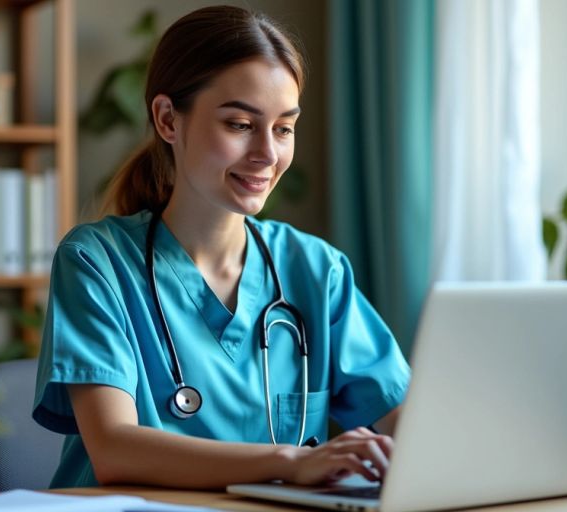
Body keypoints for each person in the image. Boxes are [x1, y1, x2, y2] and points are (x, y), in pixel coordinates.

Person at [32, 5, 410, 490]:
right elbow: (114, 448)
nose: (268, 155)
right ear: (168, 119)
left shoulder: (316, 270)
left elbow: (409, 423)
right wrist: (290, 462)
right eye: (240, 124)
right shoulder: (96, 261)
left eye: (284, 128)